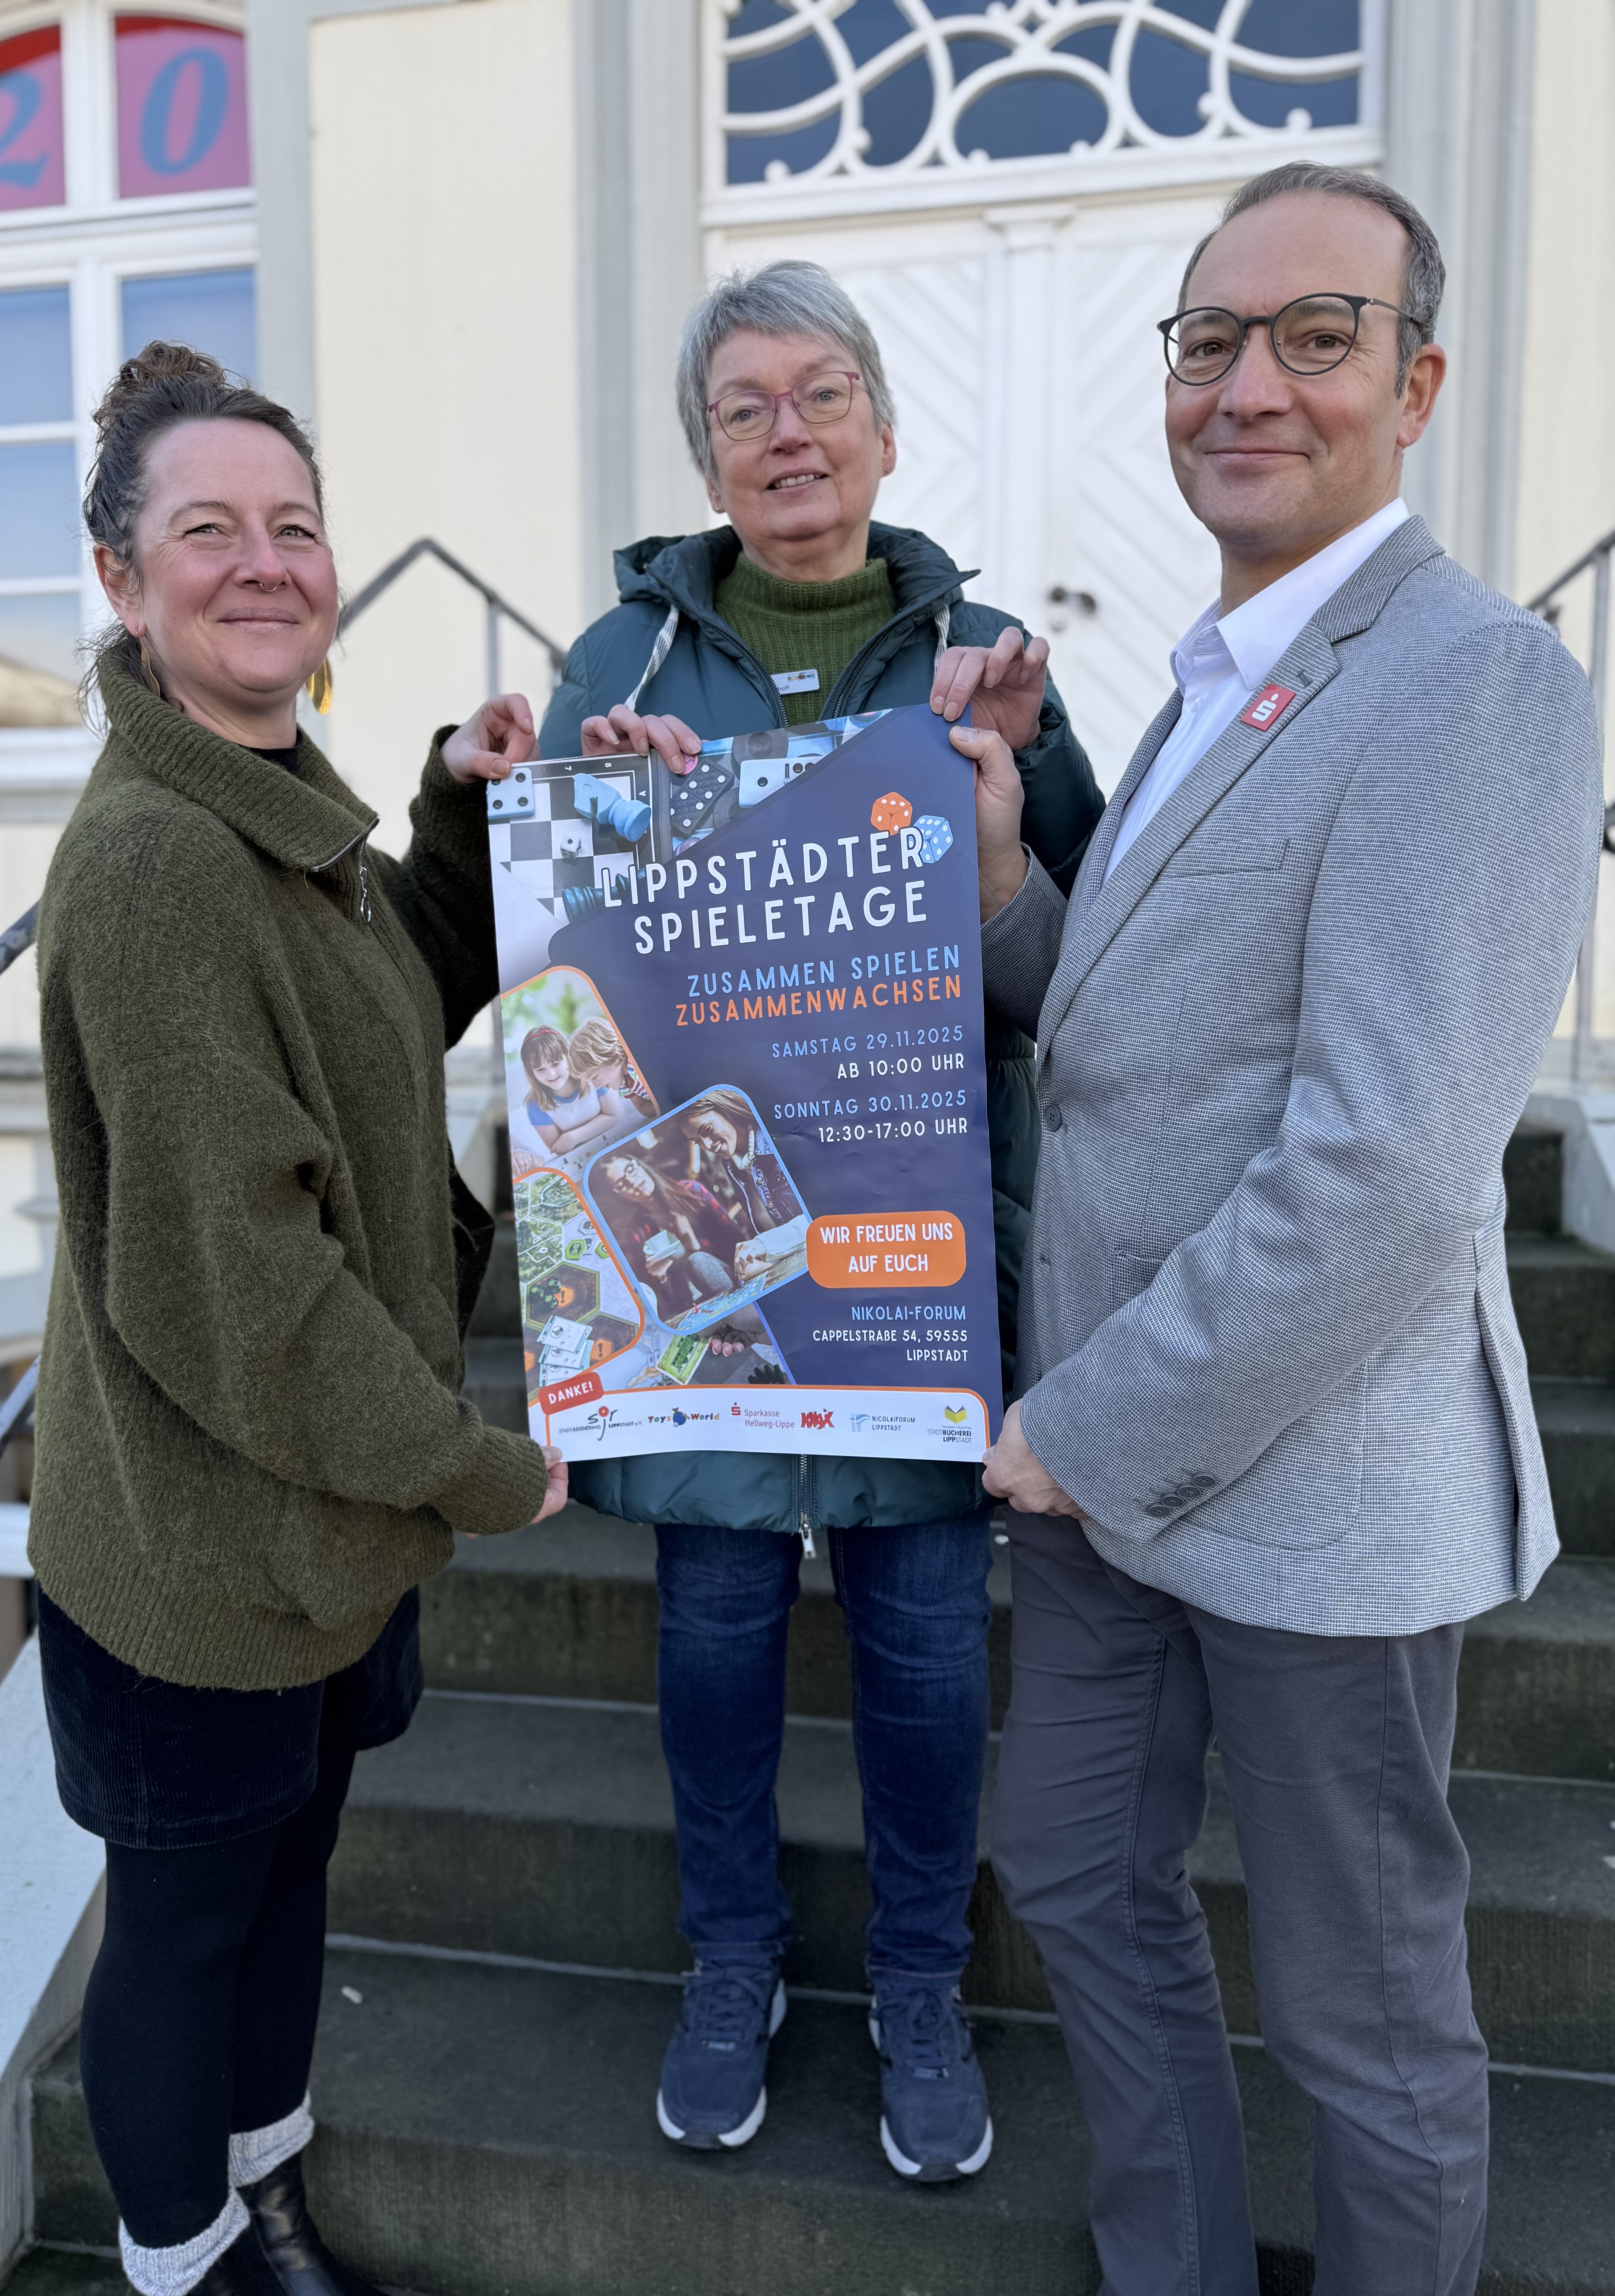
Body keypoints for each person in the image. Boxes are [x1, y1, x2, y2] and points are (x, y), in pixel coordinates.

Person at [955, 165, 1604, 2293]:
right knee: (1064, 1867)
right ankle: (1176, 2264)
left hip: (1302, 1472)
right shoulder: (1215, 669)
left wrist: (1075, 1430)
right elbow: (1132, 1027)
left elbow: (1386, 1172)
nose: (1244, 386)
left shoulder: (1467, 680)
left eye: (1308, 338)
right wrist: (993, 888)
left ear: (1410, 385)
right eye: (1207, 340)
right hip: (1108, 1476)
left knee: (1362, 2004)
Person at [534, 259, 1103, 2180]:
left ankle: (924, 1984)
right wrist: (587, 828)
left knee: (933, 1648)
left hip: (913, 1265)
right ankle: (734, 1961)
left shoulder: (990, 652)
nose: (787, 435)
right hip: (700, 1259)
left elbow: (1074, 970)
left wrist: (1016, 788)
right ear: (706, 453)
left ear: (881, 421)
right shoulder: (614, 666)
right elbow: (562, 988)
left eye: (820, 395)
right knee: (710, 1635)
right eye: (744, 407)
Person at [30, 344, 565, 2296]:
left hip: (310, 1539)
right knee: (182, 1932)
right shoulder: (160, 862)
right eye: (206, 532)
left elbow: (393, 998)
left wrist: (453, 806)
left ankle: (266, 2198)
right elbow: (251, 1294)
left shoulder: (270, 801)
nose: (264, 563)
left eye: (293, 525)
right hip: (195, 1558)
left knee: (282, 1889)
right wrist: (483, 1465)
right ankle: (184, 2263)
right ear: (120, 576)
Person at [596, 1152, 738, 1316]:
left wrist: (693, 1246)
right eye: (621, 1185)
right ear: (619, 1195)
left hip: (730, 1284)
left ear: (639, 1164)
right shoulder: (637, 1233)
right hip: (693, 1309)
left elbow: (736, 1241)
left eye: (630, 1169)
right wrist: (661, 1280)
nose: (632, 1181)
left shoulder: (692, 1191)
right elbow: (665, 1306)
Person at [680, 1091, 801, 1238]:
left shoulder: (778, 1139)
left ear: (726, 1111)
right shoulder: (731, 1166)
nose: (707, 1144)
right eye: (698, 1141)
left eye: (707, 1130)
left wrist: (767, 1246)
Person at [519, 1024, 623, 1156]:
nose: (551, 1074)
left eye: (556, 1064)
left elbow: (615, 1116)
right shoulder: (536, 1106)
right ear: (531, 1073)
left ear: (567, 1056)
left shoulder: (592, 1075)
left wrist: (572, 1138)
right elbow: (559, 1148)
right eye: (540, 1070)